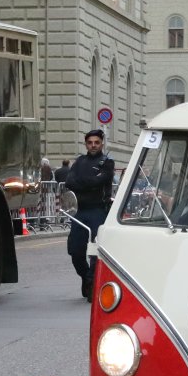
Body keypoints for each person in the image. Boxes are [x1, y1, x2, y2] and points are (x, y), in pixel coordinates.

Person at [64, 129, 116, 300]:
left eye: (97, 142)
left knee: (95, 250)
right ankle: (85, 277)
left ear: (102, 144)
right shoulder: (80, 161)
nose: (93, 145)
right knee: (75, 250)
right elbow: (69, 182)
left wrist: (83, 183)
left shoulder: (107, 162)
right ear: (85, 144)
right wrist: (90, 183)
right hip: (80, 211)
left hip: (98, 210)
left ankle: (92, 282)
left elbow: (100, 181)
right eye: (90, 142)